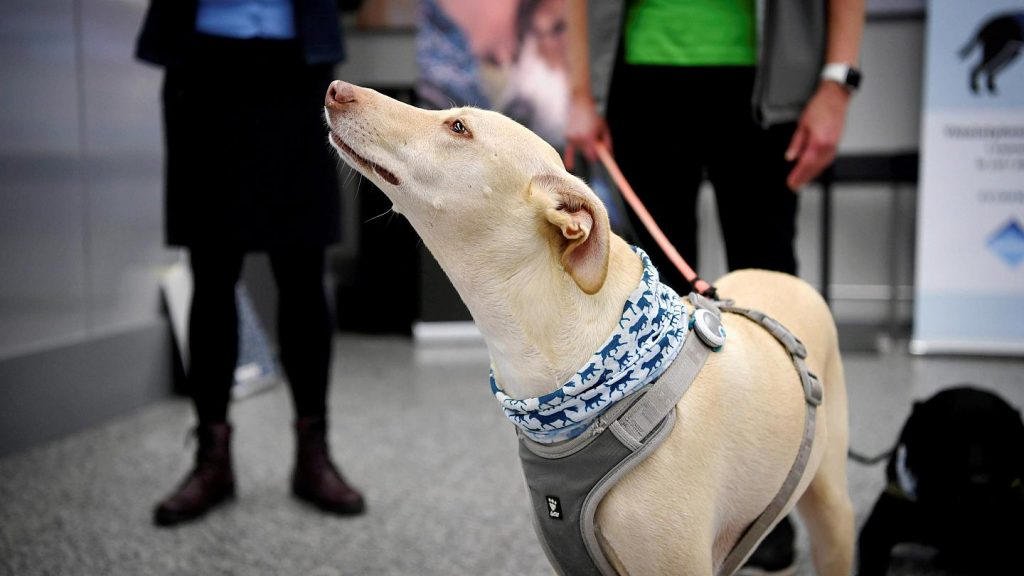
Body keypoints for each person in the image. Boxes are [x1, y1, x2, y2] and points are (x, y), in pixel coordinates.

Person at [563, 0, 865, 573]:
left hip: (764, 82)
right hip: (642, 72)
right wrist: (580, 89)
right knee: (657, 304)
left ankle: (764, 501)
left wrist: (837, 83)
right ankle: (676, 498)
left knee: (768, 286)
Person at [135, 0, 365, 526]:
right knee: (212, 272)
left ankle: (313, 455)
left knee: (304, 269)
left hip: (297, 67)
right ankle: (211, 460)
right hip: (201, 64)